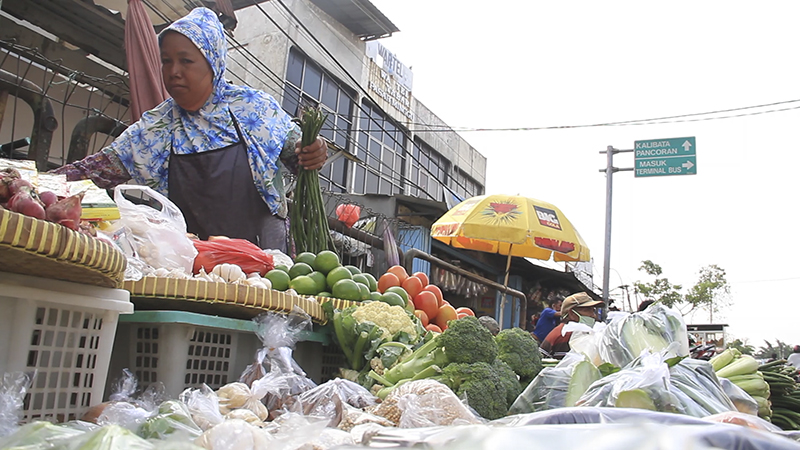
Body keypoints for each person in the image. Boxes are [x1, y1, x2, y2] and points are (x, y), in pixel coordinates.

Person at [53, 7, 327, 252]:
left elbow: (300, 155)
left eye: (186, 61)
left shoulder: (255, 110)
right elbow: (92, 172)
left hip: (266, 263)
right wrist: (33, 182)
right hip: (191, 268)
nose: (173, 71)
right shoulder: (156, 128)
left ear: (213, 62)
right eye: (166, 60)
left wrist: (315, 151)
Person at [539, 292, 604, 358]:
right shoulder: (567, 335)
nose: (593, 315)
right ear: (572, 314)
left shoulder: (580, 333)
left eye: (593, 310)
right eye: (588, 310)